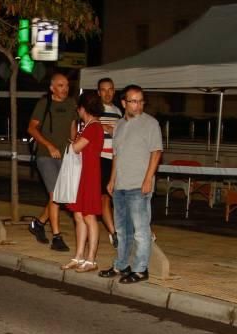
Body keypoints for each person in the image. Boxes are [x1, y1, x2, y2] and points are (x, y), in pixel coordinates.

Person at [99, 84, 163, 284]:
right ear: (124, 103)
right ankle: (121, 264)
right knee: (122, 229)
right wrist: (111, 180)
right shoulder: (119, 126)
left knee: (141, 231)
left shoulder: (151, 124)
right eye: (134, 101)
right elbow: (117, 154)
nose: (138, 105)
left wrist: (147, 179)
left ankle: (141, 269)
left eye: (141, 101)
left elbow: (156, 152)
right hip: (120, 186)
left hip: (138, 185)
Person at [27, 73, 78, 252]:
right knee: (56, 195)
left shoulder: (72, 104)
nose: (64, 89)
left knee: (62, 195)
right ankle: (57, 237)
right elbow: (31, 128)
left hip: (65, 155)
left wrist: (74, 148)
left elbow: (73, 126)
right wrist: (49, 146)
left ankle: (38, 223)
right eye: (60, 85)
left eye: (66, 85)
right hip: (46, 155)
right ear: (52, 88)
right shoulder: (44, 103)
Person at [60, 92, 104, 273]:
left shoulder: (93, 127)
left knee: (89, 216)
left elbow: (76, 147)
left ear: (82, 108)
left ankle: (91, 259)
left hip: (89, 175)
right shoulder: (86, 126)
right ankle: (78, 256)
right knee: (78, 215)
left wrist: (73, 139)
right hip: (80, 174)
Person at [97, 77, 121, 247]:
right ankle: (114, 233)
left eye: (110, 89)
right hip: (100, 159)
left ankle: (119, 230)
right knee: (104, 197)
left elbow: (120, 136)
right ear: (99, 93)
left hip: (115, 159)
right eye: (104, 90)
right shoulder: (95, 110)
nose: (107, 93)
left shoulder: (119, 112)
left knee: (117, 197)